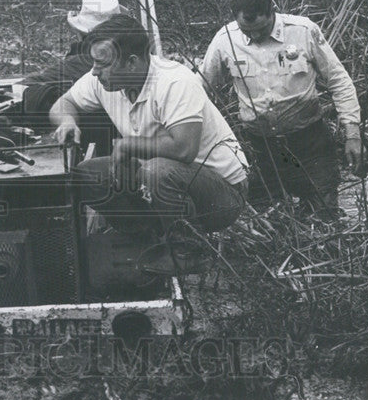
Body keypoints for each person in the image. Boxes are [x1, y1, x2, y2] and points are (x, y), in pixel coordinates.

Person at [49, 14, 248, 247]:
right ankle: (142, 240)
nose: (94, 72)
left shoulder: (174, 81)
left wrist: (129, 145)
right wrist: (67, 122)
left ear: (132, 62)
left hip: (221, 194)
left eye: (102, 64)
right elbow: (63, 104)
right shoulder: (103, 81)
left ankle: (186, 251)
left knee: (156, 171)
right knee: (87, 174)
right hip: (164, 184)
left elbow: (184, 149)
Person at [200, 0, 362, 215]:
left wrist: (352, 134)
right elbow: (201, 87)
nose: (255, 36)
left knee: (324, 216)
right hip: (260, 149)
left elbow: (339, 80)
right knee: (270, 220)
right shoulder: (225, 40)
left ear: (272, 10)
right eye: (247, 31)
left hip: (311, 144)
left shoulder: (304, 31)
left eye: (261, 29)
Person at [21, 0, 124, 153]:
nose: (97, 70)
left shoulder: (80, 64)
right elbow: (66, 102)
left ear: (81, 33)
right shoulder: (102, 69)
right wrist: (67, 120)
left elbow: (25, 88)